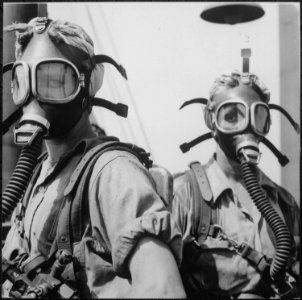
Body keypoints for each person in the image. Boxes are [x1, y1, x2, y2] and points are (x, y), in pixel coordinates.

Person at [2, 17, 186, 298]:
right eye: (23, 81)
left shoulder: (113, 172)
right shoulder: (35, 178)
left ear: (88, 84)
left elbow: (163, 289)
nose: (36, 97)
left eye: (54, 81)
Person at [171, 71, 300, 299]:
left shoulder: (285, 203)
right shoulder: (185, 194)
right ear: (211, 121)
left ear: (266, 123)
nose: (245, 127)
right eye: (231, 117)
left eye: (257, 117)